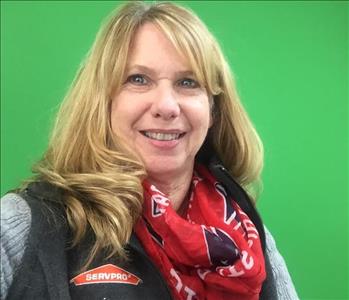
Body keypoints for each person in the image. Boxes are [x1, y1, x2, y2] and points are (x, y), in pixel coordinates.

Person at [1, 1, 298, 299]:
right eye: (138, 79)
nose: (166, 106)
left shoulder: (248, 238)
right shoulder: (23, 225)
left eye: (188, 82)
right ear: (103, 103)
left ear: (213, 110)